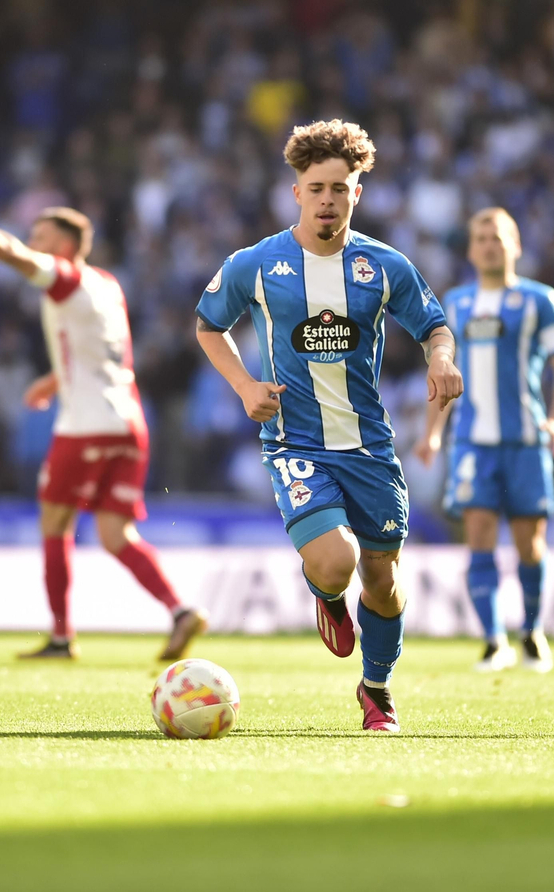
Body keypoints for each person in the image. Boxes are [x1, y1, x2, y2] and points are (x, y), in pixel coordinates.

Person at [195, 119, 463, 732]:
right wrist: (244, 386)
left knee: (383, 581)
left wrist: (442, 358)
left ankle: (376, 687)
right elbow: (209, 325)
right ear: (296, 192)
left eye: (340, 188)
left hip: (369, 447)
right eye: (316, 188)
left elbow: (433, 326)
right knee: (337, 562)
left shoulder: (383, 264)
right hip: (296, 443)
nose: (327, 199)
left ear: (357, 193)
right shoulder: (257, 263)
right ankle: (326, 593)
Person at [0, 201, 208, 661]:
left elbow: (7, 250)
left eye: (41, 238)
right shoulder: (107, 284)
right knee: (115, 535)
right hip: (128, 422)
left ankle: (62, 637)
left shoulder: (65, 278)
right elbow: (107, 351)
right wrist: (55, 379)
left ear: (64, 247)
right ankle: (180, 609)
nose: (33, 246)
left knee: (54, 523)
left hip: (85, 426)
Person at [417, 207, 554, 673]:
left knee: (531, 544)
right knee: (479, 539)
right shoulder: (457, 303)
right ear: (471, 249)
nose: (490, 244)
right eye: (482, 237)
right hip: (472, 442)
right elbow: (441, 375)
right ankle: (492, 640)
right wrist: (432, 433)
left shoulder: (538, 300)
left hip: (526, 441)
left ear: (516, 245)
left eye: (498, 236)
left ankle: (530, 630)